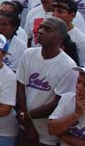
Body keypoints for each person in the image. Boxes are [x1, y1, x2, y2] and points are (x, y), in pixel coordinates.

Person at [17, 17, 78, 145]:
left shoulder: (68, 66)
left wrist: (26, 116)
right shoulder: (28, 54)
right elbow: (20, 88)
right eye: (41, 27)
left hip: (47, 135)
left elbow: (57, 102)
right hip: (24, 126)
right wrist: (27, 123)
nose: (40, 31)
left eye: (48, 29)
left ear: (60, 38)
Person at [48, 66, 85, 144]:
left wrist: (61, 135)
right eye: (78, 81)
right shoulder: (67, 99)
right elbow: (51, 129)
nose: (79, 87)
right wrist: (76, 114)